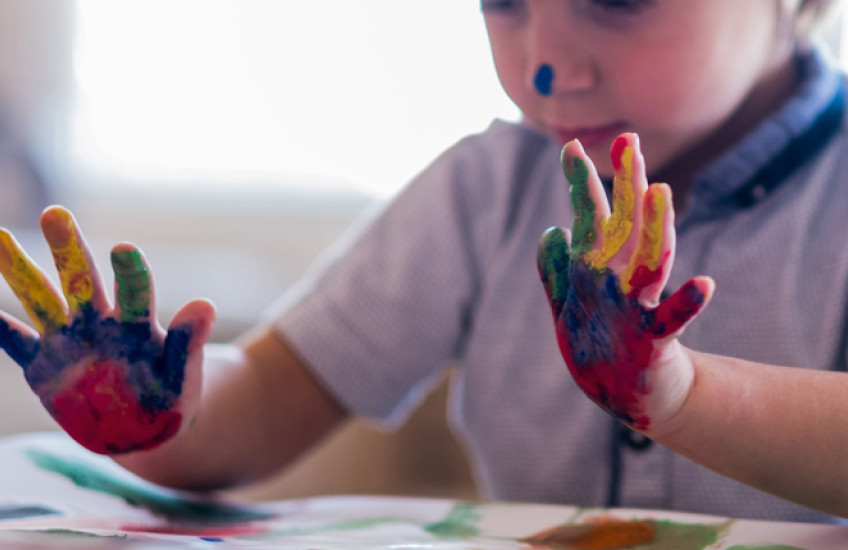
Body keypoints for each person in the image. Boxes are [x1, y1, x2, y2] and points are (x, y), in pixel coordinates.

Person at [0, 0, 847, 524]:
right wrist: (162, 420)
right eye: (503, 0)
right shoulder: (488, 190)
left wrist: (687, 397)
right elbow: (273, 395)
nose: (544, 65)